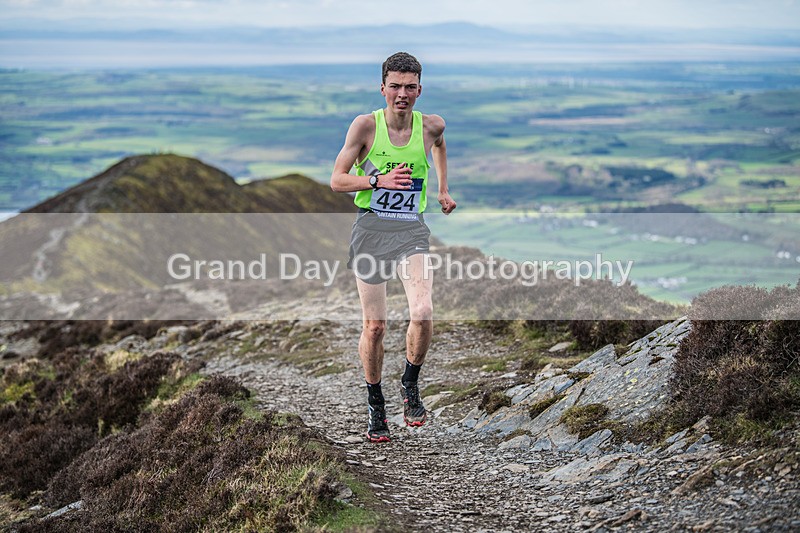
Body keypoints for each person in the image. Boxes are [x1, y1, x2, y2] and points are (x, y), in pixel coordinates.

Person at [330, 52, 456, 443]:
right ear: (382, 88)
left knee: (423, 310)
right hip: (371, 230)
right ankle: (375, 404)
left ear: (420, 89)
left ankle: (410, 384)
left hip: (410, 231)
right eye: (395, 86)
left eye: (410, 87)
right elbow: (336, 180)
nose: (402, 94)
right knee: (376, 326)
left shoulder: (431, 125)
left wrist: (442, 189)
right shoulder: (366, 126)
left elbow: (439, 147)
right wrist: (376, 182)